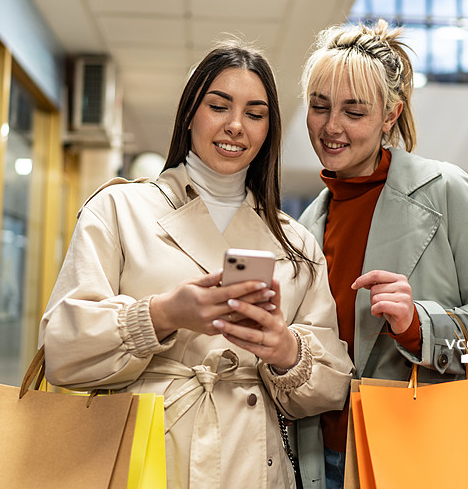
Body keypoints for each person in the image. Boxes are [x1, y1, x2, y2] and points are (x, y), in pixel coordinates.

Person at [38, 40, 354, 489]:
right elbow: (63, 351)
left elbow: (333, 383)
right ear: (190, 113)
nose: (235, 126)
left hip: (253, 467)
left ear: (269, 131)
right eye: (218, 106)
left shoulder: (295, 243)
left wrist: (284, 349)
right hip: (143, 461)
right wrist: (162, 315)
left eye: (255, 114)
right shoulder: (119, 208)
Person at [295, 20, 468, 489]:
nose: (331, 127)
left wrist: (420, 328)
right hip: (319, 459)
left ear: (390, 116)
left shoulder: (446, 191)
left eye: (354, 112)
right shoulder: (307, 224)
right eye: (319, 107)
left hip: (418, 453)